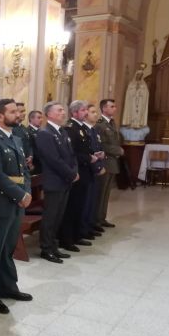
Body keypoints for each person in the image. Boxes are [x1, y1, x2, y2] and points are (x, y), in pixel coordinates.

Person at [0, 99, 33, 314]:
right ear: (0, 116)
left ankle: (9, 286)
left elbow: (24, 171)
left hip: (17, 202)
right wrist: (19, 193)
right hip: (2, 202)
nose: (18, 114)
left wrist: (27, 192)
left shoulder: (16, 139)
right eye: (12, 111)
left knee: (8, 248)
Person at [35, 101, 78, 264]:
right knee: (50, 216)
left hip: (65, 180)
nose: (63, 113)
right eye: (59, 110)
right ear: (49, 114)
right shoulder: (45, 133)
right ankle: (46, 248)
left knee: (59, 215)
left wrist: (74, 171)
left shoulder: (62, 132)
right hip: (54, 180)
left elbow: (71, 155)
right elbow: (53, 159)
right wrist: (70, 173)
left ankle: (53, 246)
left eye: (63, 110)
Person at [58, 100, 100, 252]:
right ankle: (67, 239)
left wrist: (92, 155)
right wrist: (88, 158)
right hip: (78, 172)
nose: (86, 113)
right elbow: (73, 153)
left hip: (85, 172)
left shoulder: (80, 128)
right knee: (72, 207)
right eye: (83, 111)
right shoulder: (71, 128)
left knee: (80, 206)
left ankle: (76, 235)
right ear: (75, 112)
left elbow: (84, 148)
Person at [94, 99, 123, 229]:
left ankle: (102, 217)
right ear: (104, 109)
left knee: (106, 193)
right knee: (100, 193)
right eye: (112, 106)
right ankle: (96, 220)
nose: (115, 109)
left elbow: (115, 140)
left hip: (112, 162)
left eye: (115, 106)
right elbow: (103, 144)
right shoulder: (100, 125)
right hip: (105, 161)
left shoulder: (111, 123)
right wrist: (118, 150)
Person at [83, 104, 106, 237]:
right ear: (85, 115)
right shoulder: (85, 130)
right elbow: (88, 152)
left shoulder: (94, 130)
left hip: (97, 168)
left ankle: (91, 224)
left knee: (94, 200)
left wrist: (102, 156)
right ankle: (85, 227)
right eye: (93, 112)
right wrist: (97, 167)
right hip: (90, 170)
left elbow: (97, 148)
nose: (96, 114)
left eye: (96, 112)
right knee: (87, 201)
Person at [12, 102, 32, 169]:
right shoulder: (11, 129)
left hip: (26, 163)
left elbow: (29, 144)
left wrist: (30, 156)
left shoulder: (24, 128)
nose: (24, 113)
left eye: (24, 111)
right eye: (21, 111)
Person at [27, 110, 43, 174]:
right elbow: (31, 148)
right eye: (39, 118)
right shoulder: (28, 131)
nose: (41, 120)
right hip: (34, 163)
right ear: (31, 119)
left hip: (42, 164)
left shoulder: (41, 131)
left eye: (41, 118)